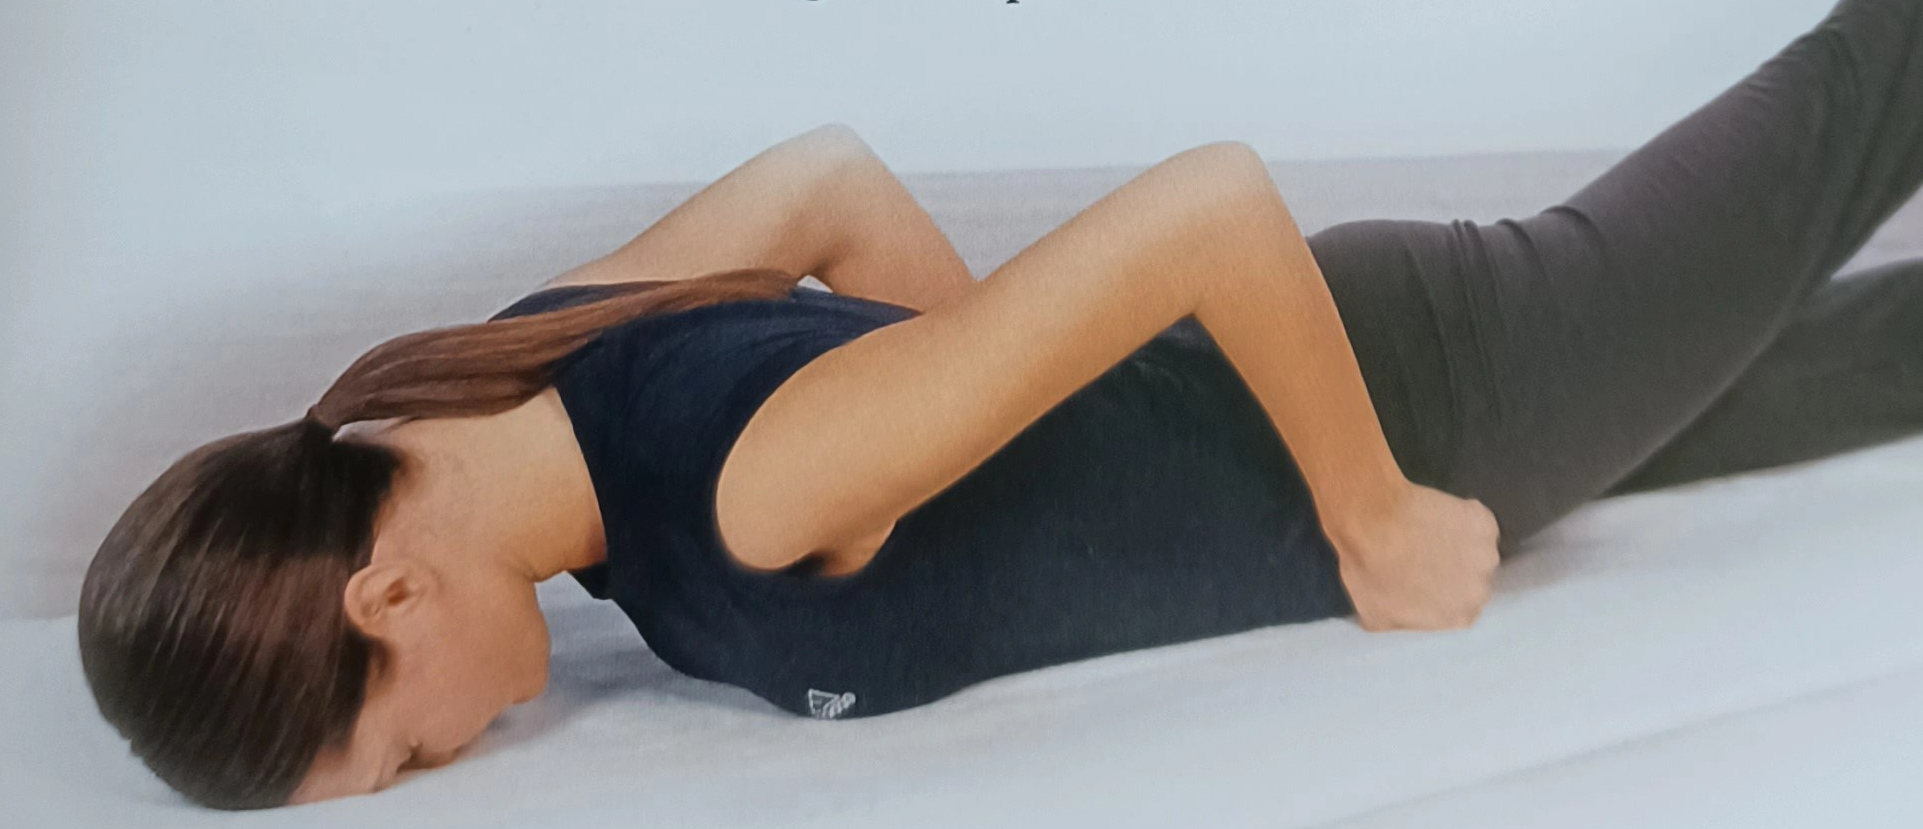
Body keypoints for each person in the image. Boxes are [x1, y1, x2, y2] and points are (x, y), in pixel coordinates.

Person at [76, 0, 1923, 810]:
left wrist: (1371, 520)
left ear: (386, 594)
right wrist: (1004, 415)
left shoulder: (739, 491)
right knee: (1862, 371)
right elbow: (823, 179)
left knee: (1869, 86)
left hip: (1448, 395)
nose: (451, 758)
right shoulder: (527, 365)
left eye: (400, 753)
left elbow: (1210, 204)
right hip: (1401, 380)